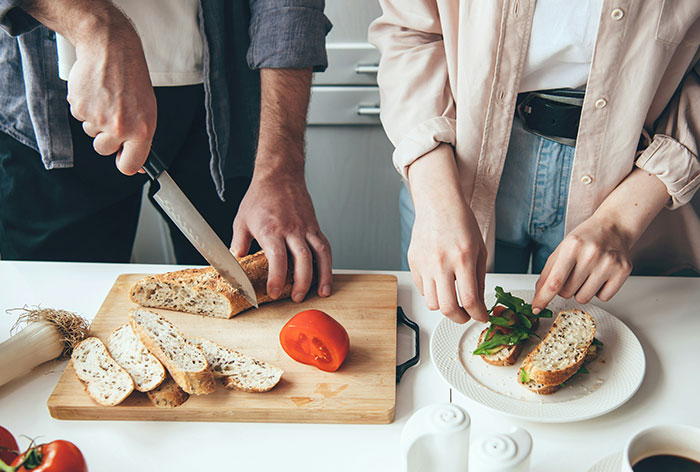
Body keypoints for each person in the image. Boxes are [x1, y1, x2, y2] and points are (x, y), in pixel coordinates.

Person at [369, 1, 700, 323]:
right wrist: (436, 201)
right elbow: (410, 32)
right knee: (440, 340)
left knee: (614, 353)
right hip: (454, 162)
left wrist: (620, 221)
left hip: (630, 177)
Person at [0, 0, 333, 304]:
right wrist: (93, 25)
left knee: (263, 293)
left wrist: (280, 167)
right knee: (56, 308)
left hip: (224, 102)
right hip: (57, 102)